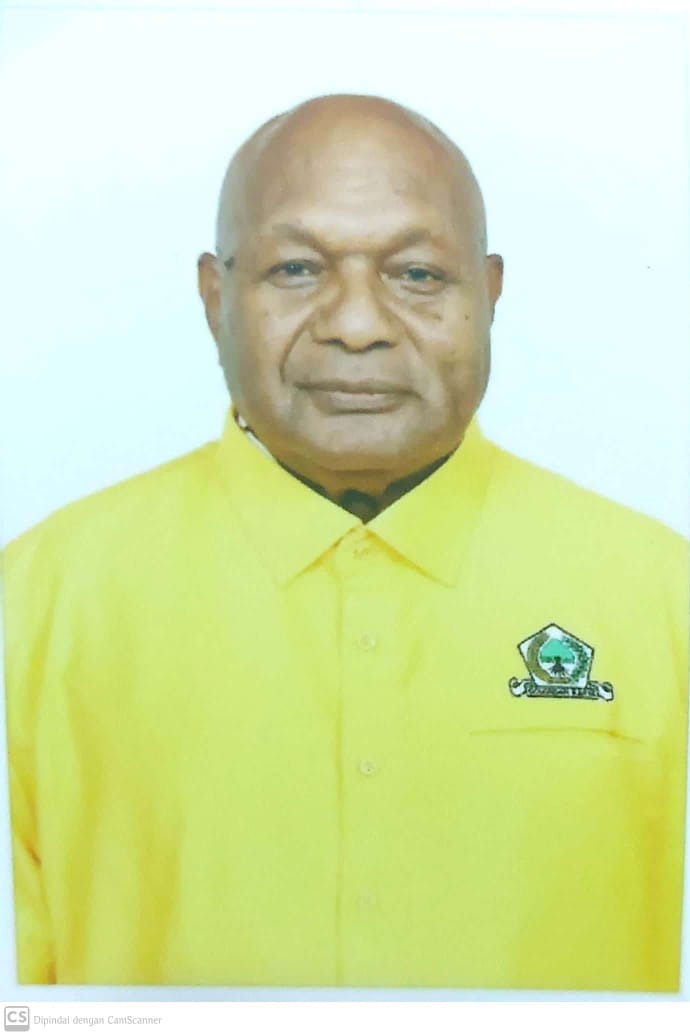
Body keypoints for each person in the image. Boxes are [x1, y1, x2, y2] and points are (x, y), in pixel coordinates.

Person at [2, 93, 688, 991]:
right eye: (296, 269)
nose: (356, 325)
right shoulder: (37, 600)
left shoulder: (662, 596)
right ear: (215, 298)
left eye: (417, 274)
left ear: (490, 293)